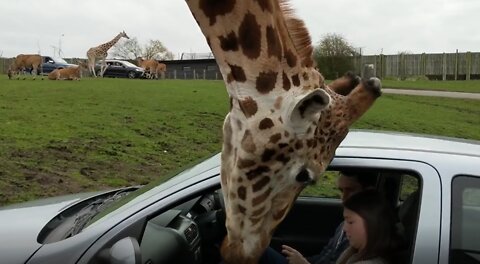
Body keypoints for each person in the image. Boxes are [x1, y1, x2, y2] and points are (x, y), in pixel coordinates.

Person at [260, 169, 377, 264]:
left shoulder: (368, 233)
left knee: (259, 252)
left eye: (350, 190)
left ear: (368, 192)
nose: (344, 197)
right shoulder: (345, 224)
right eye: (341, 190)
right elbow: (325, 256)